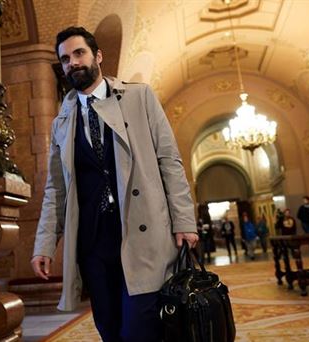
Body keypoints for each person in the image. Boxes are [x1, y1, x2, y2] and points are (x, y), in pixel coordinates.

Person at [31, 27, 199, 342]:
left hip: (141, 236)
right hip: (94, 244)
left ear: (97, 55)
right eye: (65, 59)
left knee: (140, 329)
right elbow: (56, 190)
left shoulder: (139, 97)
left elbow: (169, 161)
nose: (72, 63)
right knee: (110, 329)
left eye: (78, 53)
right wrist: (43, 244)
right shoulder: (62, 122)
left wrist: (184, 221)